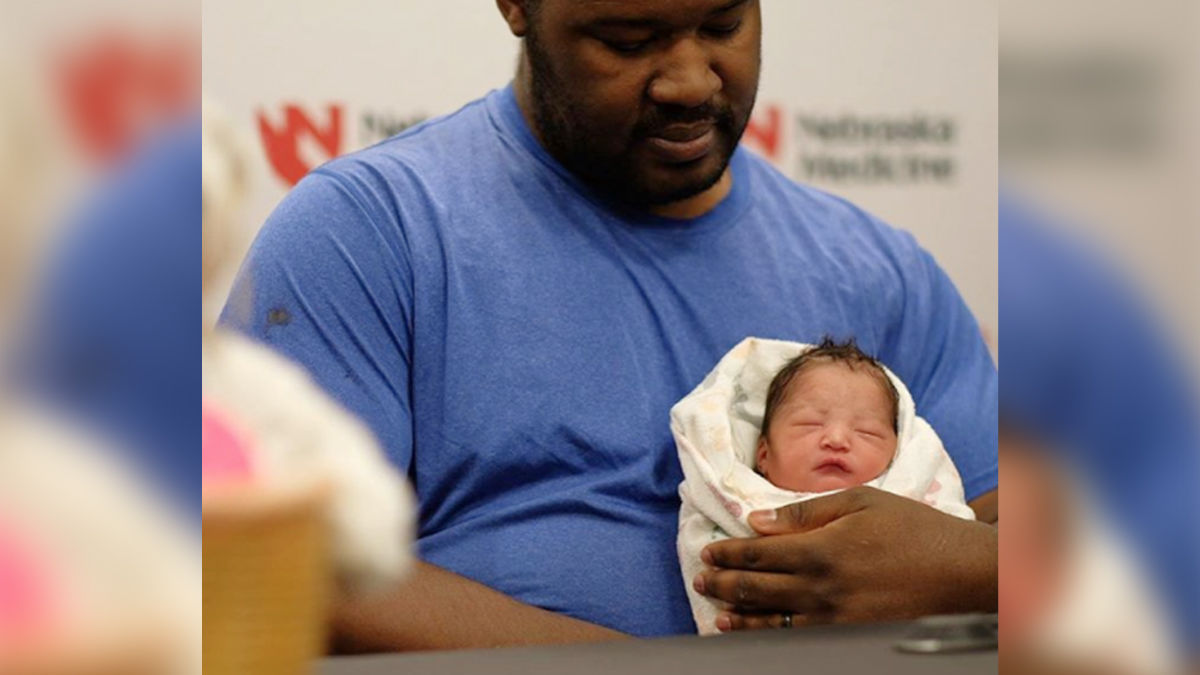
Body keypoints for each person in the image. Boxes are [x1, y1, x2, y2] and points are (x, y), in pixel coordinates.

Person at [221, 0, 998, 648]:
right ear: (517, 7)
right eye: (628, 41)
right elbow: (282, 567)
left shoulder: (880, 272)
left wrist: (969, 567)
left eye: (725, 24)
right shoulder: (367, 234)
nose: (691, 81)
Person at [754, 338, 900, 492]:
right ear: (764, 455)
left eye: (866, 432)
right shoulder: (738, 500)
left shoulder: (912, 509)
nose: (837, 440)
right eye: (810, 424)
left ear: (895, 455)